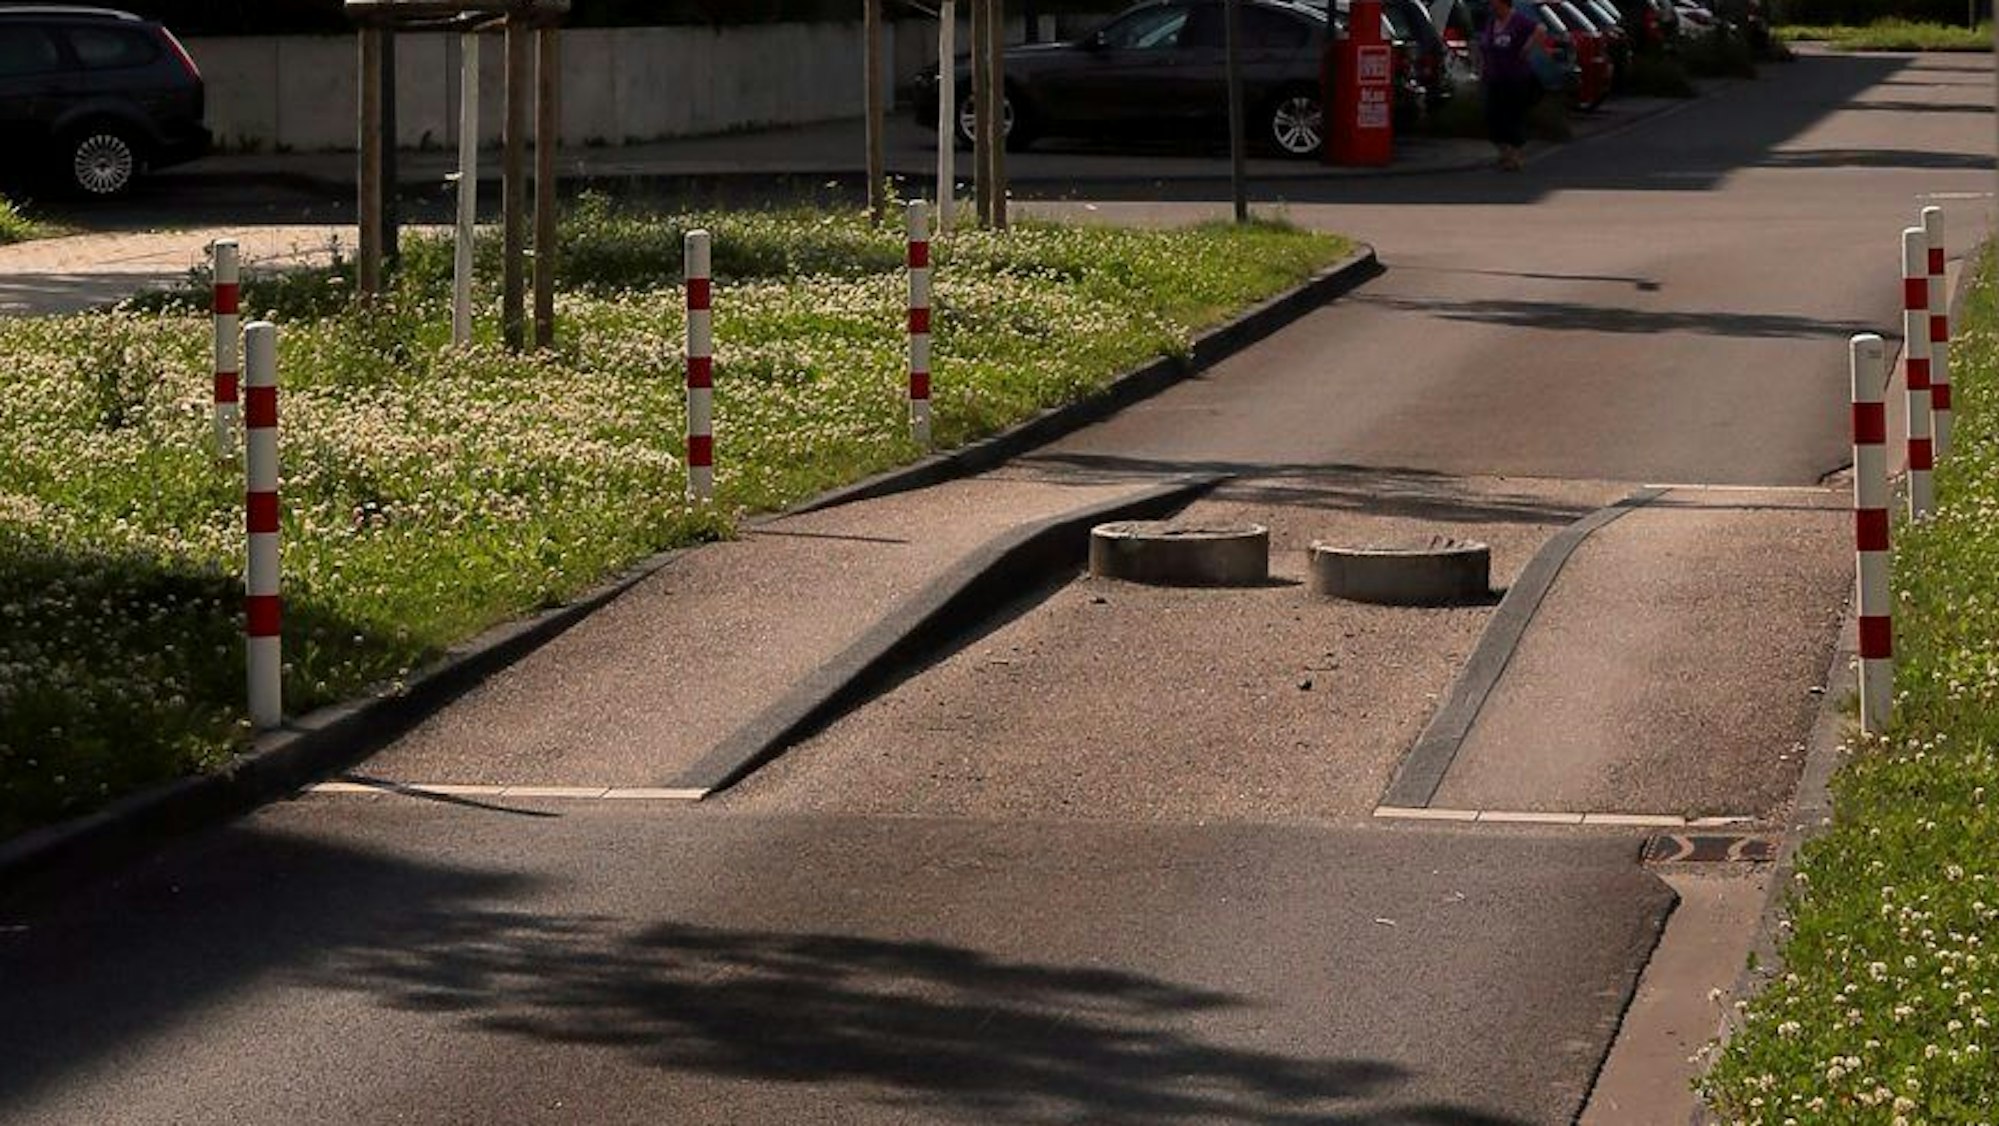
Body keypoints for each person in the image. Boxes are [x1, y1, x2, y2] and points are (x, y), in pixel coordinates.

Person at [1478, 0, 1547, 170]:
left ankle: (1513, 156)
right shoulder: (1492, 22)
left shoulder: (1519, 21)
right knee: (1492, 116)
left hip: (1515, 77)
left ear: (1504, 4)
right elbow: (1485, 47)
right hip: (1493, 77)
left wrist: (1528, 47)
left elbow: (1541, 29)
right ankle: (1504, 152)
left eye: (1494, 3)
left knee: (1512, 116)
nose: (1491, 6)